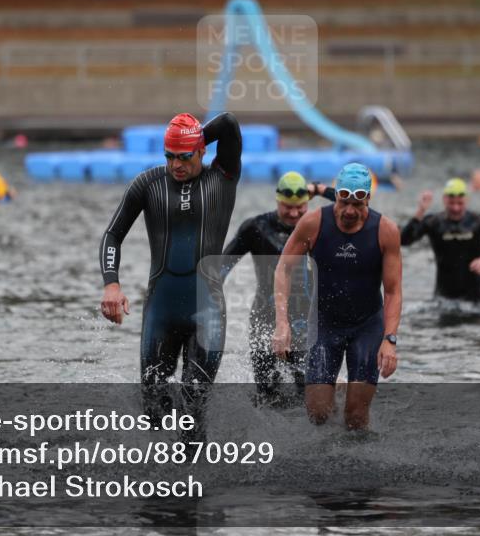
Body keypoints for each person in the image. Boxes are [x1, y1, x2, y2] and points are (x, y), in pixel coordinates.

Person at [99, 112, 241, 420]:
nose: (176, 165)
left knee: (193, 408)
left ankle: (196, 468)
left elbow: (228, 124)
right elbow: (112, 235)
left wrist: (192, 132)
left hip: (207, 313)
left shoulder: (223, 177)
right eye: (170, 156)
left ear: (202, 151)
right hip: (160, 313)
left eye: (184, 156)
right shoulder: (148, 184)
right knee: (154, 414)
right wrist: (111, 284)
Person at [272, 163, 402, 431]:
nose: (350, 211)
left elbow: (392, 291)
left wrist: (390, 340)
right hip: (324, 324)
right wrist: (282, 323)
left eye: (358, 203)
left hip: (367, 326)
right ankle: (337, 388)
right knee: (318, 414)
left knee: (355, 419)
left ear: (368, 199)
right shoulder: (313, 223)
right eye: (344, 201)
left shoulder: (385, 231)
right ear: (336, 196)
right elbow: (283, 269)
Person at [221, 171, 335, 404]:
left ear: (308, 202)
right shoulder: (256, 227)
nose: (294, 214)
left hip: (305, 324)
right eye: (287, 207)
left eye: (299, 207)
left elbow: (356, 206)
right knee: (267, 398)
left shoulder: (316, 226)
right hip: (265, 323)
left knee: (311, 398)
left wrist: (320, 189)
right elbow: (221, 267)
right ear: (277, 201)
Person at [400, 178, 480, 304]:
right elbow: (403, 240)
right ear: (444, 200)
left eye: (460, 203)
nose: (456, 208)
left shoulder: (479, 222)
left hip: (473, 303)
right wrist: (420, 211)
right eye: (451, 203)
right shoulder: (433, 222)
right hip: (442, 301)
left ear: (467, 200)